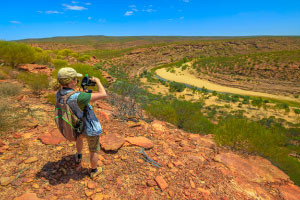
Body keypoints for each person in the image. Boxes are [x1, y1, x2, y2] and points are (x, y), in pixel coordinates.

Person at [56, 67, 107, 179]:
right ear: (70, 81)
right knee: (93, 149)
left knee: (79, 139)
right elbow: (103, 94)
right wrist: (98, 81)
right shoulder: (79, 97)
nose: (76, 81)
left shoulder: (59, 94)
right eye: (75, 79)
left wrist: (81, 93)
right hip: (90, 127)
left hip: (76, 125)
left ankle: (79, 156)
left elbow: (75, 100)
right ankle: (94, 170)